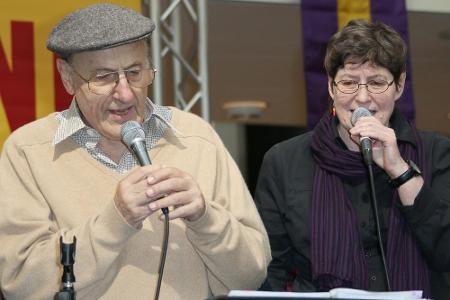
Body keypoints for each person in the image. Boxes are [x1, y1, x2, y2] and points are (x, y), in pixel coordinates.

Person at [0, 3, 271, 299]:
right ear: (67, 77)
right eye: (103, 77)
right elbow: (19, 283)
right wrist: (116, 221)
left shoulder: (196, 138)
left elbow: (251, 276)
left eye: (134, 72)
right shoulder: (28, 151)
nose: (125, 93)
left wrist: (206, 218)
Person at [255, 19, 450, 300]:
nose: (362, 98)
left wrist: (400, 170)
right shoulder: (285, 161)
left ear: (399, 85)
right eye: (348, 82)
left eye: (376, 82)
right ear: (332, 88)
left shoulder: (438, 153)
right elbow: (270, 269)